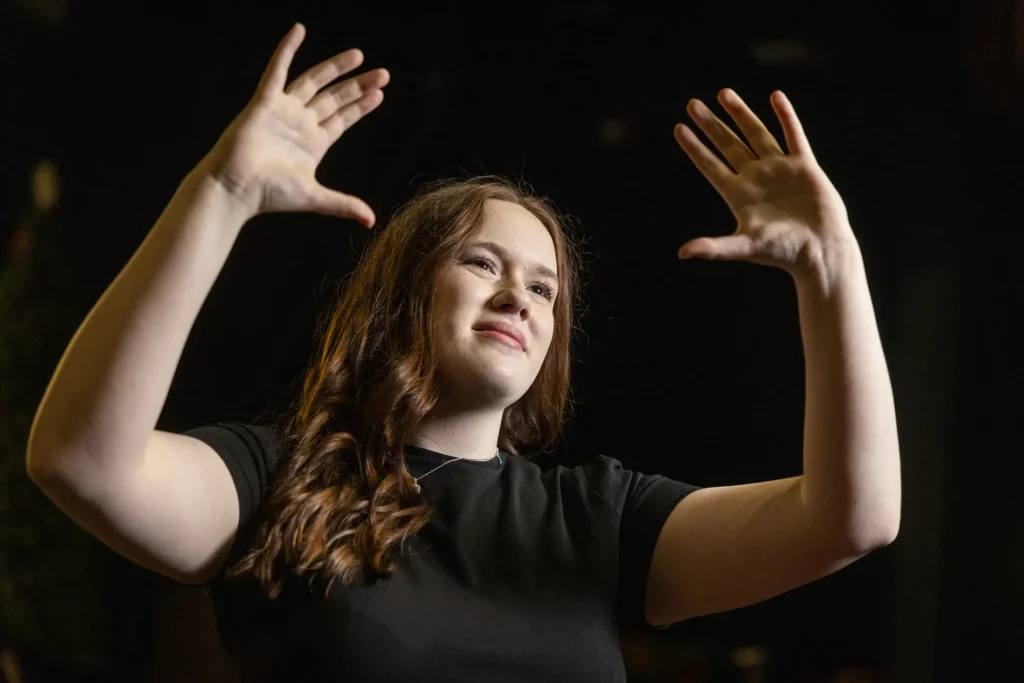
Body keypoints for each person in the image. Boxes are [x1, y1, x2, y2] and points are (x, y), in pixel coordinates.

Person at [24, 22, 902, 683]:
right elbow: (80, 460)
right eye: (482, 262)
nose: (520, 293)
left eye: (545, 288)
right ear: (404, 295)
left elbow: (853, 517)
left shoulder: (595, 519)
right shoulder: (278, 484)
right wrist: (218, 195)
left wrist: (834, 269)